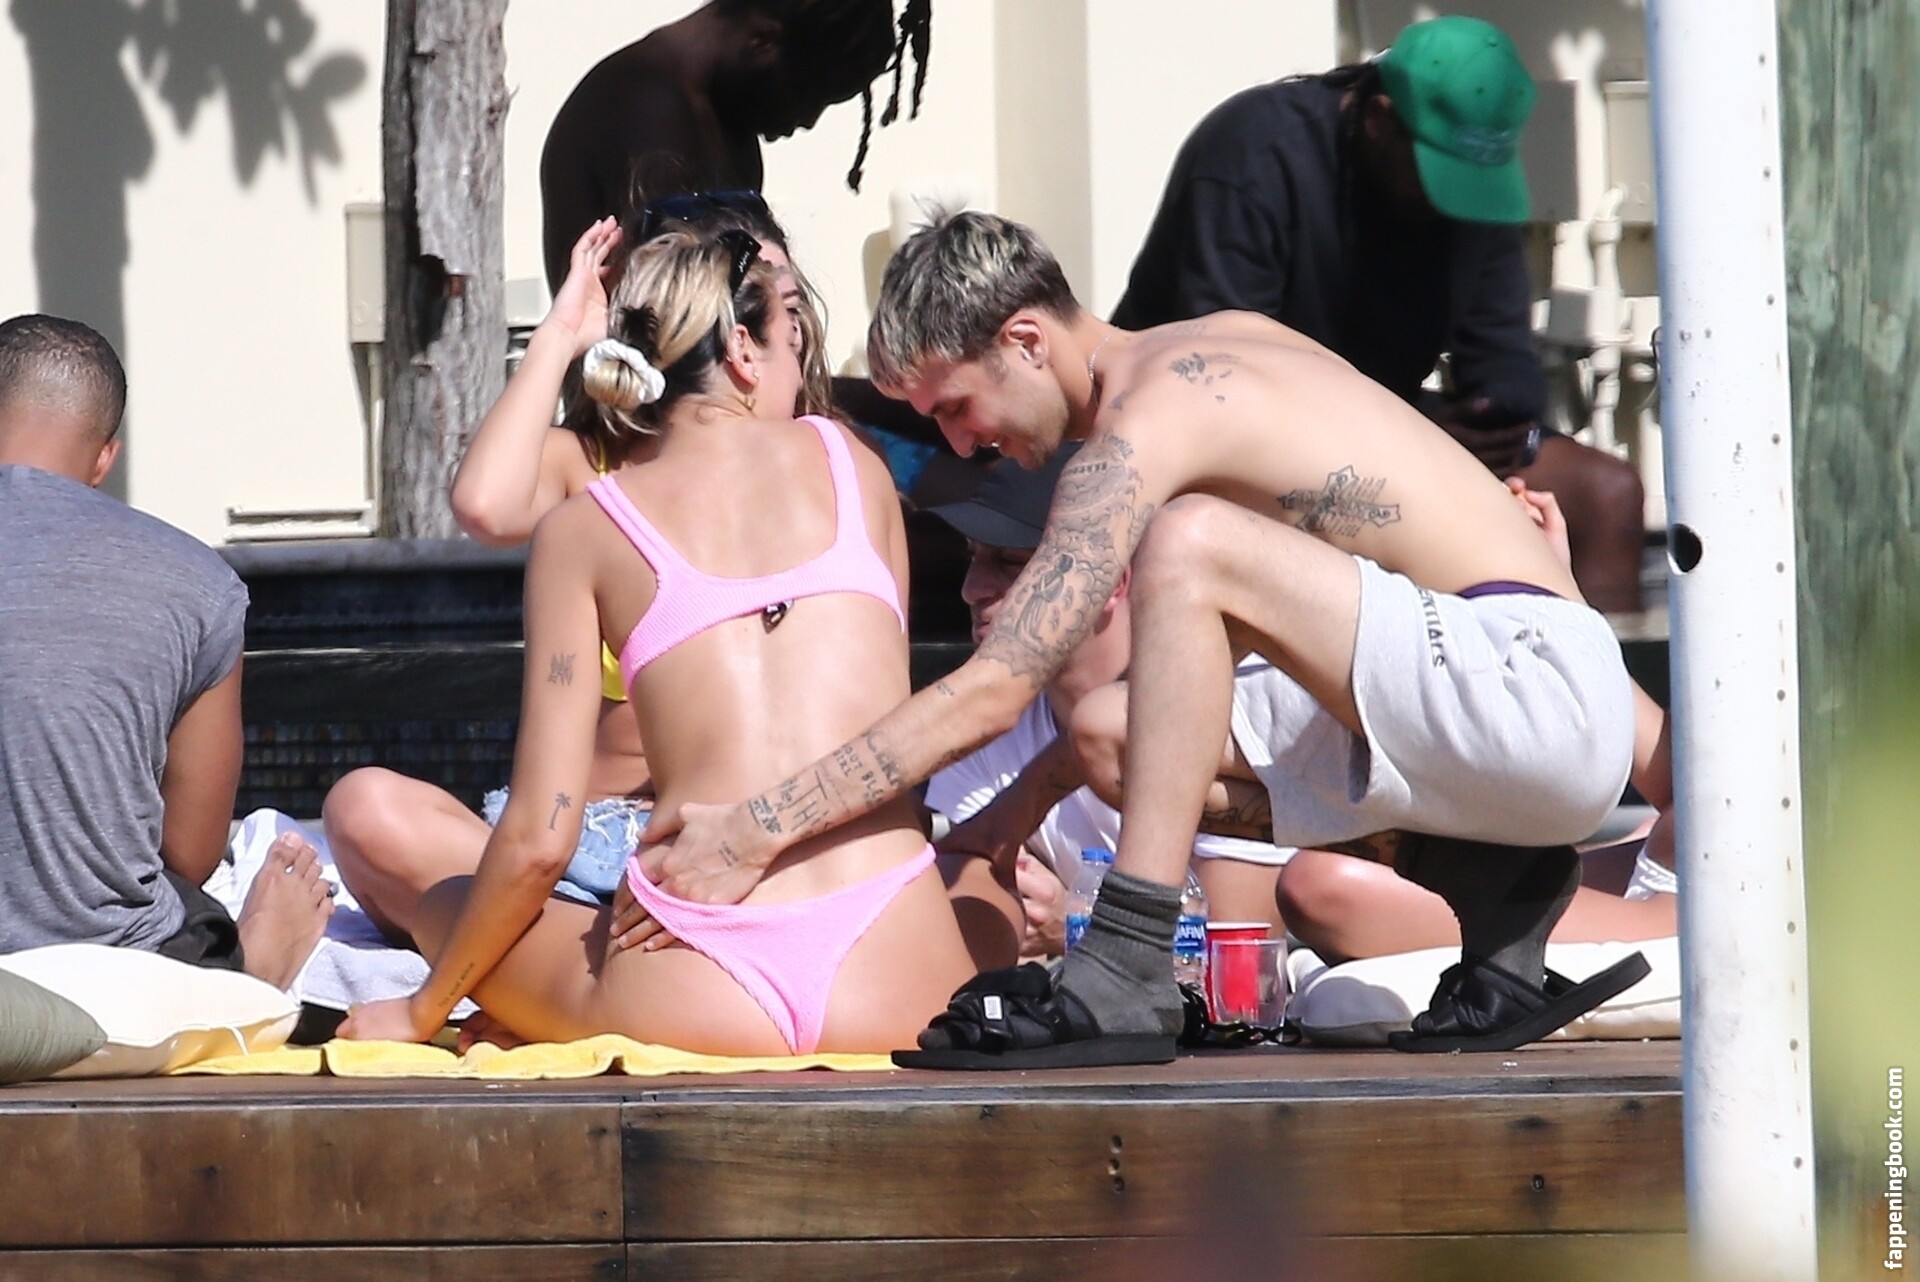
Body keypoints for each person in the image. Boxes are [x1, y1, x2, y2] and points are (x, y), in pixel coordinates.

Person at [624, 210, 1645, 1067]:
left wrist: (759, 826)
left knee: (1189, 544)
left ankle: (1125, 962)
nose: (963, 443)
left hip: (1529, 685)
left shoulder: (1145, 426)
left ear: (1027, 339)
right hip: (1514, 698)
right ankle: (1491, 886)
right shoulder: (1227, 340)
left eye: (959, 406)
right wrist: (1012, 812)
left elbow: (998, 684)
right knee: (1117, 732)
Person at [337, 225, 974, 1053]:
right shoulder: (857, 468)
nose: (800, 358)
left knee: (446, 903)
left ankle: (504, 1014)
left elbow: (537, 842)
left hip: (697, 988)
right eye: (792, 333)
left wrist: (421, 1011)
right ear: (740, 348)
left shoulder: (586, 526)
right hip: (900, 973)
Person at [324, 195, 832, 946]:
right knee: (364, 806)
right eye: (764, 306)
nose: (788, 328)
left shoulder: (823, 474)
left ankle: (550, 956)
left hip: (730, 850)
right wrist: (560, 337)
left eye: (788, 306)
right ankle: (585, 946)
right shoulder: (591, 465)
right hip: (573, 849)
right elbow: (485, 504)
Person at [1110, 16, 1649, 614]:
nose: (1452, 203)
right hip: (1205, 428)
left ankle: (1588, 674)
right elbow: (1223, 386)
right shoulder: (1254, 153)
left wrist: (1500, 427)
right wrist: (1400, 448)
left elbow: (1502, 368)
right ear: (1378, 119)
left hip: (1385, 429)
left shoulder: (1469, 189)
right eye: (1438, 177)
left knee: (1606, 494)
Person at [0, 314, 331, 988]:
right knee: (182, 905)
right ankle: (246, 980)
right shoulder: (196, 581)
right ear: (104, 459)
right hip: (111, 971)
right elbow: (190, 850)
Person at [1273, 481, 1676, 961]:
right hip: (1674, 867)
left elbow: (1324, 893)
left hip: (1683, 911)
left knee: (1324, 883)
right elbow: (1680, 786)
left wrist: (1551, 597)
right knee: (1328, 873)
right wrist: (1550, 595)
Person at [925, 447, 1292, 961]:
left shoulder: (1236, 699)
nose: (971, 589)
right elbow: (964, 890)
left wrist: (1077, 928)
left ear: (1110, 583)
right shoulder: (989, 724)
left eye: (1009, 563)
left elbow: (1234, 946)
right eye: (972, 558)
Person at [539, 0, 932, 292]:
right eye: (810, 94)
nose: (808, 120)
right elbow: (679, 322)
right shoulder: (646, 107)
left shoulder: (725, 120)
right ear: (762, 42)